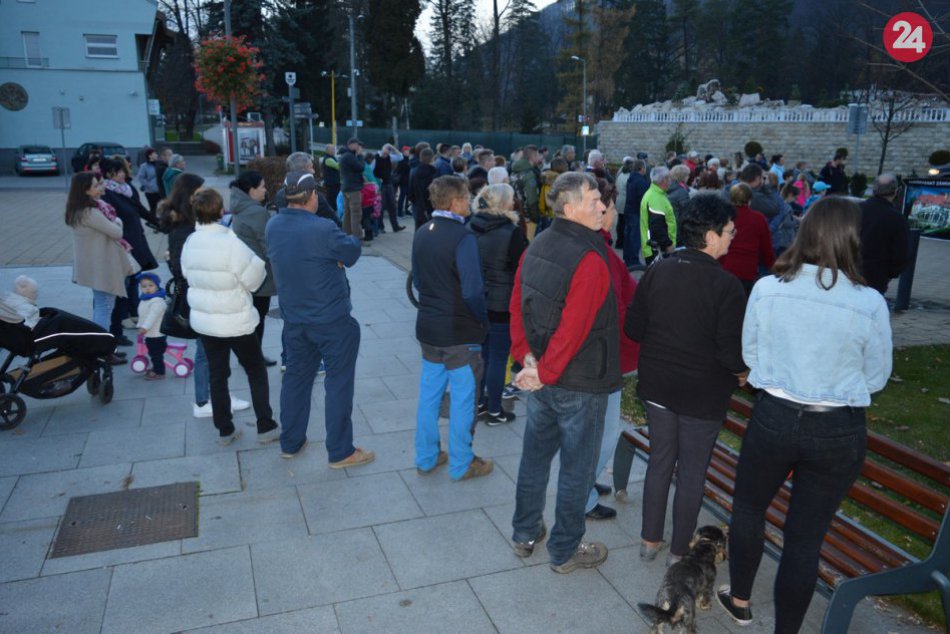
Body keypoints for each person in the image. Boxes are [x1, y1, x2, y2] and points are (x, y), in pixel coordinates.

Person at [717, 197, 892, 633]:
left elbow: (751, 356)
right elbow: (875, 377)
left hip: (775, 417)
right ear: (852, 238)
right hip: (836, 428)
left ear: (805, 231)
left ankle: (740, 601)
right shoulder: (869, 302)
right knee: (804, 538)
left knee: (749, 509)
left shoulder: (768, 288)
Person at [625, 194, 747, 565]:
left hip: (658, 386)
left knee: (660, 461)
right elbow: (730, 353)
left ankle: (649, 541)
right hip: (702, 395)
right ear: (710, 236)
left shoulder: (658, 270)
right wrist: (743, 373)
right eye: (729, 231)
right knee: (692, 472)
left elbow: (634, 327)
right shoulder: (727, 286)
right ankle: (679, 552)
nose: (733, 237)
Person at [509, 172, 620, 574]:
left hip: (544, 374)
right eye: (594, 201)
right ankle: (565, 549)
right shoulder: (589, 259)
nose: (603, 206)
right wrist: (542, 370)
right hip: (579, 382)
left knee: (534, 459)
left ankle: (524, 533)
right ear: (570, 209)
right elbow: (574, 328)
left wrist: (527, 358)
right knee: (577, 470)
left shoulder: (538, 242)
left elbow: (517, 304)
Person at [265, 170, 375, 467]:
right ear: (312, 196)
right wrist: (335, 256)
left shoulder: (273, 225)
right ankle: (341, 451)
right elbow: (352, 251)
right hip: (332, 321)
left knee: (296, 380)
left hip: (294, 320)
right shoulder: (323, 229)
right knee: (338, 383)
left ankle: (291, 442)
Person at [180, 188, 276, 446]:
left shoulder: (190, 242)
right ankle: (265, 426)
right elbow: (254, 280)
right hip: (236, 319)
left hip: (206, 321)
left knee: (217, 374)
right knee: (255, 370)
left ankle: (225, 429)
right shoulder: (231, 243)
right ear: (221, 211)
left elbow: (187, 274)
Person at [411, 175, 491, 480]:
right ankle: (462, 462)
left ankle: (426, 457)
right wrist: (482, 319)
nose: (470, 201)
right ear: (455, 201)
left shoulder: (422, 231)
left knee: (429, 395)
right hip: (459, 332)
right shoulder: (463, 237)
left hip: (428, 328)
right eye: (466, 196)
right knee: (463, 399)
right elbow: (473, 290)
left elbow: (418, 281)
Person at [160, 174, 250, 419]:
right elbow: (180, 269)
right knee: (205, 351)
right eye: (199, 191)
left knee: (212, 350)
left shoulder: (188, 222)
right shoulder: (183, 228)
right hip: (200, 296)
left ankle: (217, 396)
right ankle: (203, 400)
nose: (203, 194)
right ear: (188, 195)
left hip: (203, 294)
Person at [585, 181, 640, 521]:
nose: (616, 213)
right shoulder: (601, 254)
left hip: (598, 356)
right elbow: (616, 313)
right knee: (602, 432)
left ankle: (586, 484)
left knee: (597, 429)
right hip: (604, 358)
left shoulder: (598, 248)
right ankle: (583, 497)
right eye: (613, 207)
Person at [468, 184, 528, 426]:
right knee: (498, 357)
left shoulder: (471, 226)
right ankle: (494, 410)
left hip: (476, 301)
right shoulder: (511, 232)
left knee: (482, 354)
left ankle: (479, 401)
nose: (514, 202)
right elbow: (523, 268)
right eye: (511, 198)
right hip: (502, 304)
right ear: (503, 203)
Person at [64, 171, 131, 365]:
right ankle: (101, 351)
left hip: (96, 265)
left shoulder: (79, 210)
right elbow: (117, 232)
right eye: (96, 185)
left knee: (103, 306)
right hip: (101, 266)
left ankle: (103, 349)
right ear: (85, 190)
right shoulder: (90, 212)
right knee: (104, 308)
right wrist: (117, 221)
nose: (100, 187)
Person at [229, 170, 278, 366]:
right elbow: (268, 245)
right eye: (262, 187)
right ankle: (254, 358)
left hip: (245, 271)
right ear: (251, 190)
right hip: (259, 275)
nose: (265, 190)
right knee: (258, 317)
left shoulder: (239, 206)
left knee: (250, 316)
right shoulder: (256, 212)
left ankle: (248, 355)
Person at [720, 183, 776, 295]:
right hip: (747, 271)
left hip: (725, 267)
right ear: (750, 199)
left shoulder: (724, 217)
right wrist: (773, 267)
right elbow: (766, 248)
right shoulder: (758, 218)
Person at [859, 173, 910, 295]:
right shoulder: (897, 218)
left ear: (873, 189)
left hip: (848, 272)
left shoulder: (854, 209)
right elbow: (901, 254)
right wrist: (891, 273)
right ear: (896, 191)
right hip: (876, 277)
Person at [272, 152, 339, 225]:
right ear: (303, 171)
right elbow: (335, 222)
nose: (314, 171)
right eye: (311, 167)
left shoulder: (279, 194)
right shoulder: (313, 196)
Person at [640, 166, 676, 264]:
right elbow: (657, 226)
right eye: (669, 178)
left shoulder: (656, 194)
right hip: (656, 248)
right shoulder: (655, 197)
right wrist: (668, 244)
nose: (671, 181)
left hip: (655, 247)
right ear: (664, 180)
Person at [135, 272, 167, 381]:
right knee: (154, 353)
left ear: (157, 286)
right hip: (151, 333)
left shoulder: (157, 301)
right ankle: (156, 368)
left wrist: (144, 327)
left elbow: (152, 317)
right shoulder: (147, 298)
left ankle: (159, 372)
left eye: (151, 285)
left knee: (156, 354)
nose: (147, 288)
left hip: (156, 334)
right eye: (144, 286)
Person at [373, 143, 406, 233]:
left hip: (389, 184)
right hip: (380, 185)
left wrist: (393, 147)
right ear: (382, 150)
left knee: (392, 205)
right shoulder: (376, 158)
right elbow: (371, 171)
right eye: (385, 153)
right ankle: (380, 227)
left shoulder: (389, 157)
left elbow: (400, 157)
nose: (385, 155)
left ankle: (395, 226)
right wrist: (376, 182)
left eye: (387, 153)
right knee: (381, 206)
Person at [623, 159, 649, 266]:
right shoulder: (641, 181)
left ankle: (627, 257)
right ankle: (633, 260)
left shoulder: (631, 178)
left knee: (628, 235)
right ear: (641, 168)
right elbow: (643, 199)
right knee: (635, 237)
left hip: (629, 209)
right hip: (636, 212)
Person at [339, 138, 366, 239]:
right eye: (358, 145)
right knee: (356, 213)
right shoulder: (350, 156)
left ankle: (347, 235)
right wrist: (360, 155)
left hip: (346, 188)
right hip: (353, 189)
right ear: (352, 144)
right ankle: (357, 238)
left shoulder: (345, 155)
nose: (359, 148)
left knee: (347, 213)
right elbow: (361, 167)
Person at [409, 147, 438, 229]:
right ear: (432, 158)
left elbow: (410, 192)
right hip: (430, 206)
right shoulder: (433, 172)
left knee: (419, 229)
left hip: (417, 205)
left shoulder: (414, 171)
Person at [613, 157, 634, 249]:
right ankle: (622, 242)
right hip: (625, 201)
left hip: (619, 200)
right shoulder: (629, 177)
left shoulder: (620, 175)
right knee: (624, 223)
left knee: (620, 222)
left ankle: (619, 241)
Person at [137, 148, 162, 216]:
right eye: (154, 153)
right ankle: (152, 220)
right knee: (153, 209)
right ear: (150, 155)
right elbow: (141, 177)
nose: (156, 155)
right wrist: (149, 185)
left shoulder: (159, 164)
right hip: (150, 192)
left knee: (161, 208)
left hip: (160, 190)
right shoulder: (144, 166)